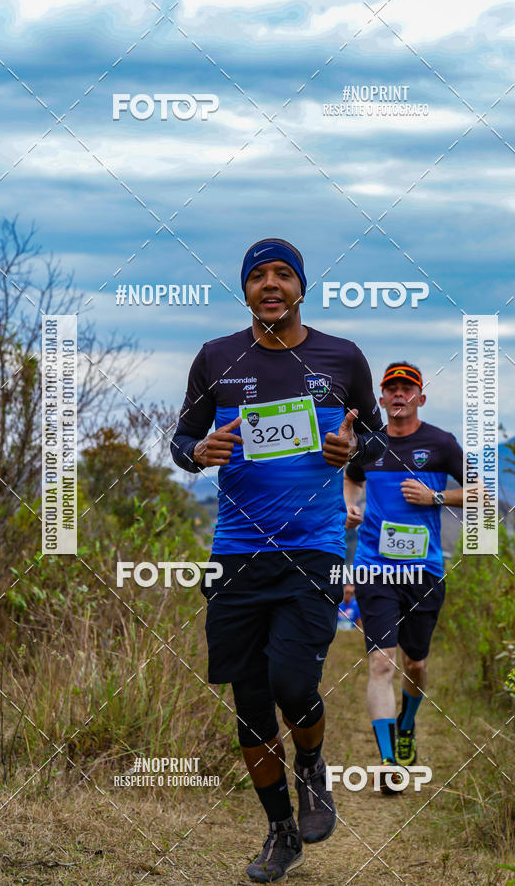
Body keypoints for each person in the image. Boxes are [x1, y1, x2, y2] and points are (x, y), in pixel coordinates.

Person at [171, 238, 387, 881]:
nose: (271, 284)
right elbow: (183, 438)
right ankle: (279, 832)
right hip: (235, 553)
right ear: (245, 292)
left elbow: (373, 439)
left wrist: (352, 449)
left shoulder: (341, 358)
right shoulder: (215, 359)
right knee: (252, 705)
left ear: (300, 288)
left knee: (295, 685)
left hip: (313, 550)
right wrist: (196, 452)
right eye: (258, 276)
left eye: (283, 274)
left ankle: (313, 771)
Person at [343, 361, 463, 794]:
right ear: (381, 399)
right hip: (375, 568)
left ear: (420, 398)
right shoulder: (369, 446)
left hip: (424, 571)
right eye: (391, 389)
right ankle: (389, 762)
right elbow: (351, 481)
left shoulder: (441, 443)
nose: (399, 396)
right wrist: (351, 509)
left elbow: (480, 493)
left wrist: (436, 495)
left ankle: (408, 722)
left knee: (415, 662)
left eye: (407, 389)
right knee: (381, 662)